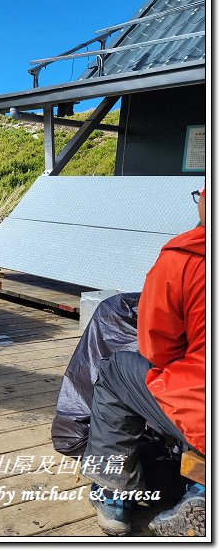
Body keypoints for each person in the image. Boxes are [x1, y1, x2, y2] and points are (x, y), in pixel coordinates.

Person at [84, 187, 206, 536]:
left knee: (116, 371)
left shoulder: (185, 257)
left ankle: (111, 493)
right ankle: (199, 493)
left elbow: (156, 349)